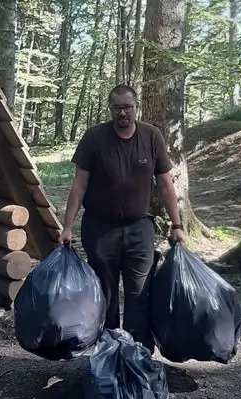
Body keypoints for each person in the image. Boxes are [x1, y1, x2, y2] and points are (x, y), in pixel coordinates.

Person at [58, 84, 185, 351]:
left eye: (127, 107)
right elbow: (79, 183)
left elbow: (164, 185)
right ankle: (108, 351)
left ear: (136, 107)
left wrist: (177, 225)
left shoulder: (152, 137)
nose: (122, 113)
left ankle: (136, 354)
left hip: (139, 230)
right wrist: (67, 226)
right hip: (100, 230)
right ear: (110, 110)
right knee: (106, 292)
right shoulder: (94, 138)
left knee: (139, 292)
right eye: (117, 108)